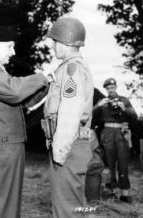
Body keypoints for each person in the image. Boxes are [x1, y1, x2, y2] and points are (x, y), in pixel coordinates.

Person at [0, 26, 51, 218]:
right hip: (2, 146)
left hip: (10, 144)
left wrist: (48, 85)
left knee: (10, 206)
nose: (13, 52)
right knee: (0, 207)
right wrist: (41, 77)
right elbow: (15, 92)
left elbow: (24, 101)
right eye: (10, 47)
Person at [43, 17, 101, 217]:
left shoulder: (71, 69)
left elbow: (69, 112)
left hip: (68, 144)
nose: (52, 46)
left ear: (64, 42)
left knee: (66, 208)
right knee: (71, 205)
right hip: (74, 143)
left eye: (54, 41)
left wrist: (59, 150)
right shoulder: (73, 67)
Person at [93, 77, 137, 203]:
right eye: (108, 88)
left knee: (123, 163)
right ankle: (110, 191)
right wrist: (98, 105)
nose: (110, 90)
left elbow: (135, 116)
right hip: (107, 133)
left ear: (116, 87)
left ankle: (125, 193)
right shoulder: (103, 102)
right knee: (109, 163)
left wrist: (124, 108)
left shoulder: (124, 100)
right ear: (106, 89)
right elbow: (89, 115)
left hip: (121, 133)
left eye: (112, 87)